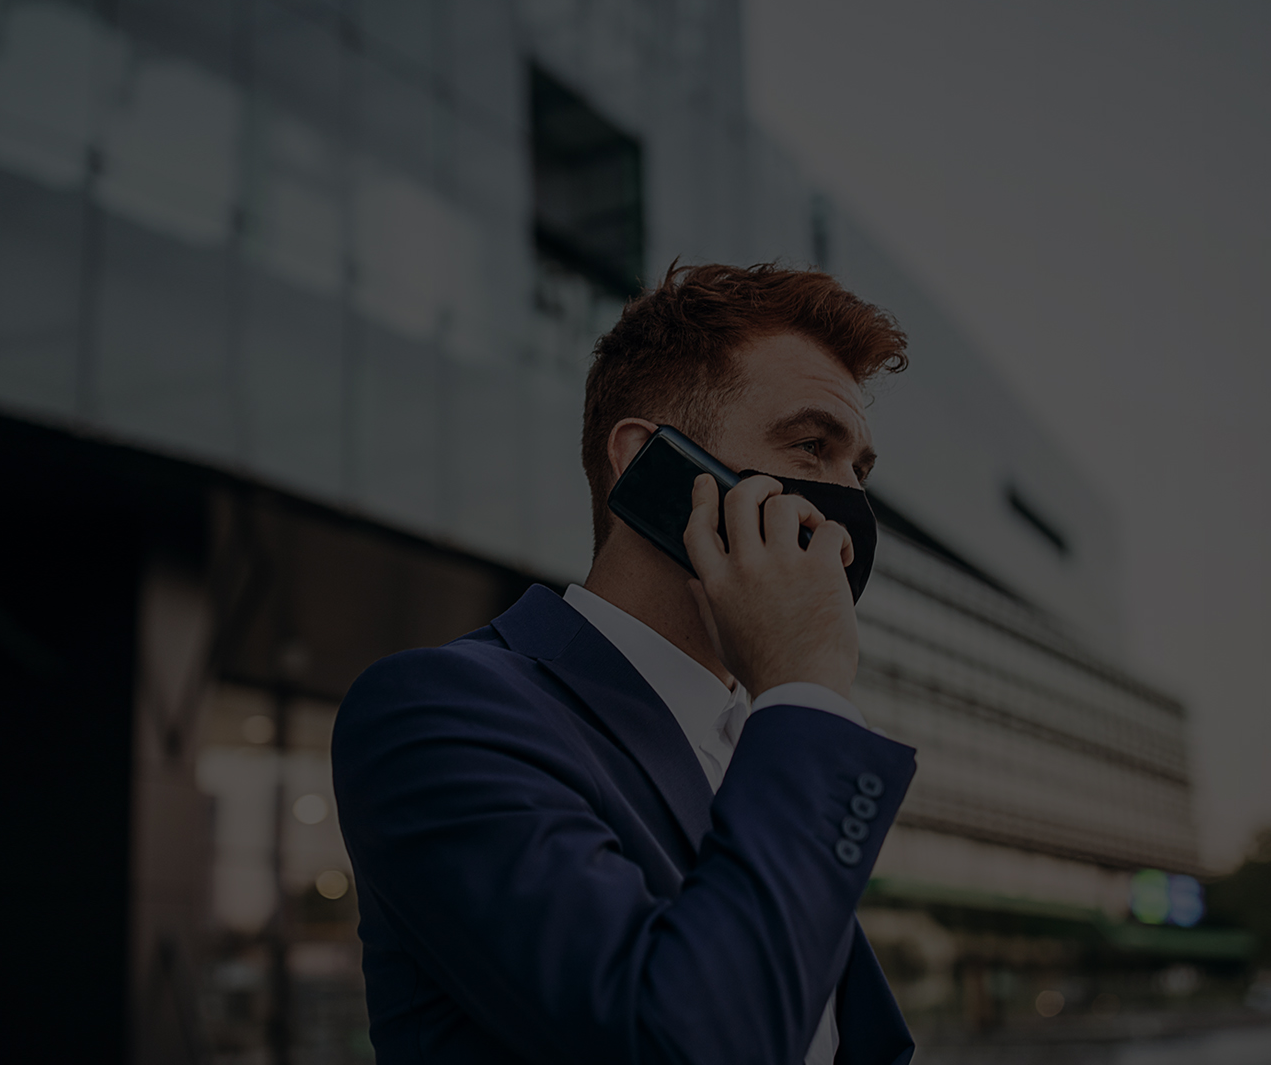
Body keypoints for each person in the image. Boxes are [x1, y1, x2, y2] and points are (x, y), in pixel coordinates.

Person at [332, 263, 919, 1065]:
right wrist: (808, 689)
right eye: (812, 446)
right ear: (648, 462)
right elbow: (686, 1041)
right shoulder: (440, 712)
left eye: (860, 470)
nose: (849, 518)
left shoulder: (760, 743)